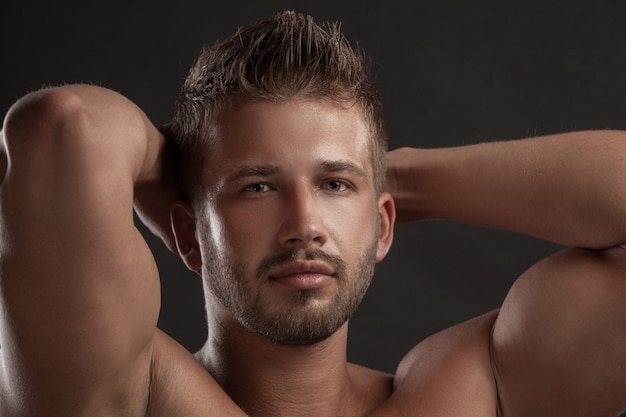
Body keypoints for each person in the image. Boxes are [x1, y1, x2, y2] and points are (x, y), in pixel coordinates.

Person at [0, 10, 624, 417]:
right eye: (257, 189)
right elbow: (65, 130)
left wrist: (395, 176)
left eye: (332, 185)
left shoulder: (464, 393)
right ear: (188, 234)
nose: (305, 223)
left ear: (382, 224)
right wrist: (176, 175)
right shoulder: (130, 395)